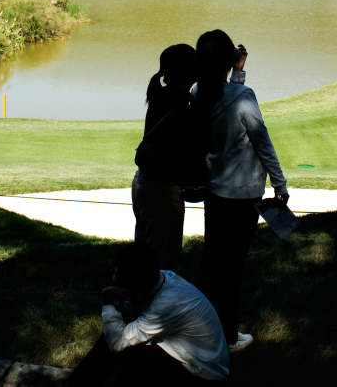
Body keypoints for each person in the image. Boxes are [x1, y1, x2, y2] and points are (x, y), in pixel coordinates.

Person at [193, 30, 288, 352]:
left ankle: (201, 330)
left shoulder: (197, 92)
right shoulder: (244, 96)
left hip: (214, 191)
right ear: (229, 58)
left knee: (212, 264)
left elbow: (223, 97)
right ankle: (228, 338)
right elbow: (262, 142)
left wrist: (238, 71)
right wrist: (280, 184)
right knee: (232, 269)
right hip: (244, 194)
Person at [69, 243, 229, 386]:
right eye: (116, 274)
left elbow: (117, 343)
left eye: (121, 284)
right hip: (193, 361)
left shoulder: (166, 304)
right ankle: (80, 382)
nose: (115, 282)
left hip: (202, 376)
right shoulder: (161, 278)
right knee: (122, 333)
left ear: (138, 288)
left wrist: (108, 300)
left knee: (133, 346)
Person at [133, 45, 199, 273]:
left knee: (144, 256)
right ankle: (156, 307)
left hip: (145, 181)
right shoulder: (180, 104)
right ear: (190, 71)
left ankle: (134, 302)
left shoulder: (162, 95)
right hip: (162, 188)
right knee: (163, 263)